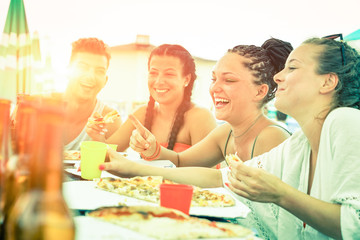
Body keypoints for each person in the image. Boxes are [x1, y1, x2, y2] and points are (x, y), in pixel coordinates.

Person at [99, 36, 360, 239]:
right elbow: (219, 178)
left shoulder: (345, 121)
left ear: (327, 82)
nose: (279, 75)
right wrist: (133, 168)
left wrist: (281, 194)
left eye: (292, 68)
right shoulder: (298, 145)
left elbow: (354, 225)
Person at [128, 38, 292, 167]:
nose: (215, 88)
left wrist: (133, 168)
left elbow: (225, 182)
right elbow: (180, 162)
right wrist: (152, 149)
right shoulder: (226, 133)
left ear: (260, 91)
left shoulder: (272, 136)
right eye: (214, 79)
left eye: (229, 80)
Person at [86, 44, 217, 153]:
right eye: (153, 73)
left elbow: (206, 173)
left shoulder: (200, 117)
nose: (159, 81)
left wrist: (155, 153)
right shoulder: (142, 114)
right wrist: (98, 136)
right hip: (145, 184)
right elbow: (109, 153)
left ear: (186, 79)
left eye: (169, 74)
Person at [63, 37, 122, 150]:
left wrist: (100, 142)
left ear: (105, 80)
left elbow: (114, 164)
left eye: (99, 71)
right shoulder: (41, 108)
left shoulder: (110, 121)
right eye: (83, 68)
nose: (90, 77)